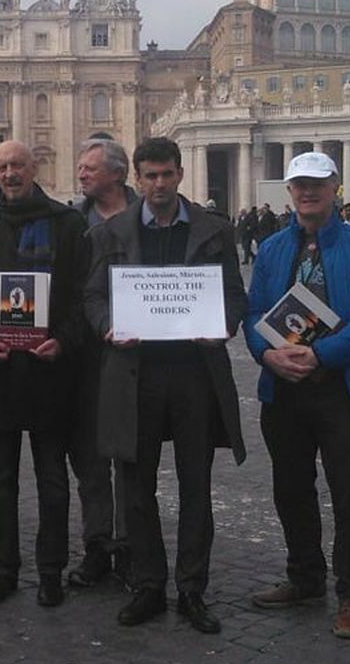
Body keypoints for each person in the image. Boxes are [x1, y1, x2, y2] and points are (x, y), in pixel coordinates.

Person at [83, 138, 247, 634]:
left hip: (194, 373)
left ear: (180, 175)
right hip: (135, 374)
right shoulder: (108, 234)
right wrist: (107, 324)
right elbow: (91, 297)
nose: (159, 184)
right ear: (137, 177)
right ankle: (149, 584)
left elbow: (235, 297)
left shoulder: (215, 231)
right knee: (136, 488)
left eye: (167, 175)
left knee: (196, 485)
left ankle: (192, 588)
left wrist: (222, 324)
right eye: (150, 175)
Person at [245, 152, 350, 641]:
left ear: (335, 187)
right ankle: (304, 577)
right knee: (291, 490)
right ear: (289, 191)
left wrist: (322, 355)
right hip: (284, 390)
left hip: (342, 389)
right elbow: (252, 317)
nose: (307, 192)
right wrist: (266, 356)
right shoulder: (270, 250)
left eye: (316, 184)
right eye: (299, 185)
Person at [0, 140, 90, 608]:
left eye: (18, 165)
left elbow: (79, 298)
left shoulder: (66, 225)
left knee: (53, 479)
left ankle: (50, 570)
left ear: (35, 168)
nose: (10, 173)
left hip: (50, 370)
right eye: (2, 167)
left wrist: (65, 341)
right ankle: (4, 568)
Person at [68, 138, 132, 587]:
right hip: (85, 354)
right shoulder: (73, 223)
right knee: (89, 460)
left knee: (130, 456)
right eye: (81, 168)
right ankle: (97, 544)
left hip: (135, 354)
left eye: (90, 168)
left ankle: (131, 545)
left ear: (117, 173)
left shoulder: (149, 219)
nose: (82, 174)